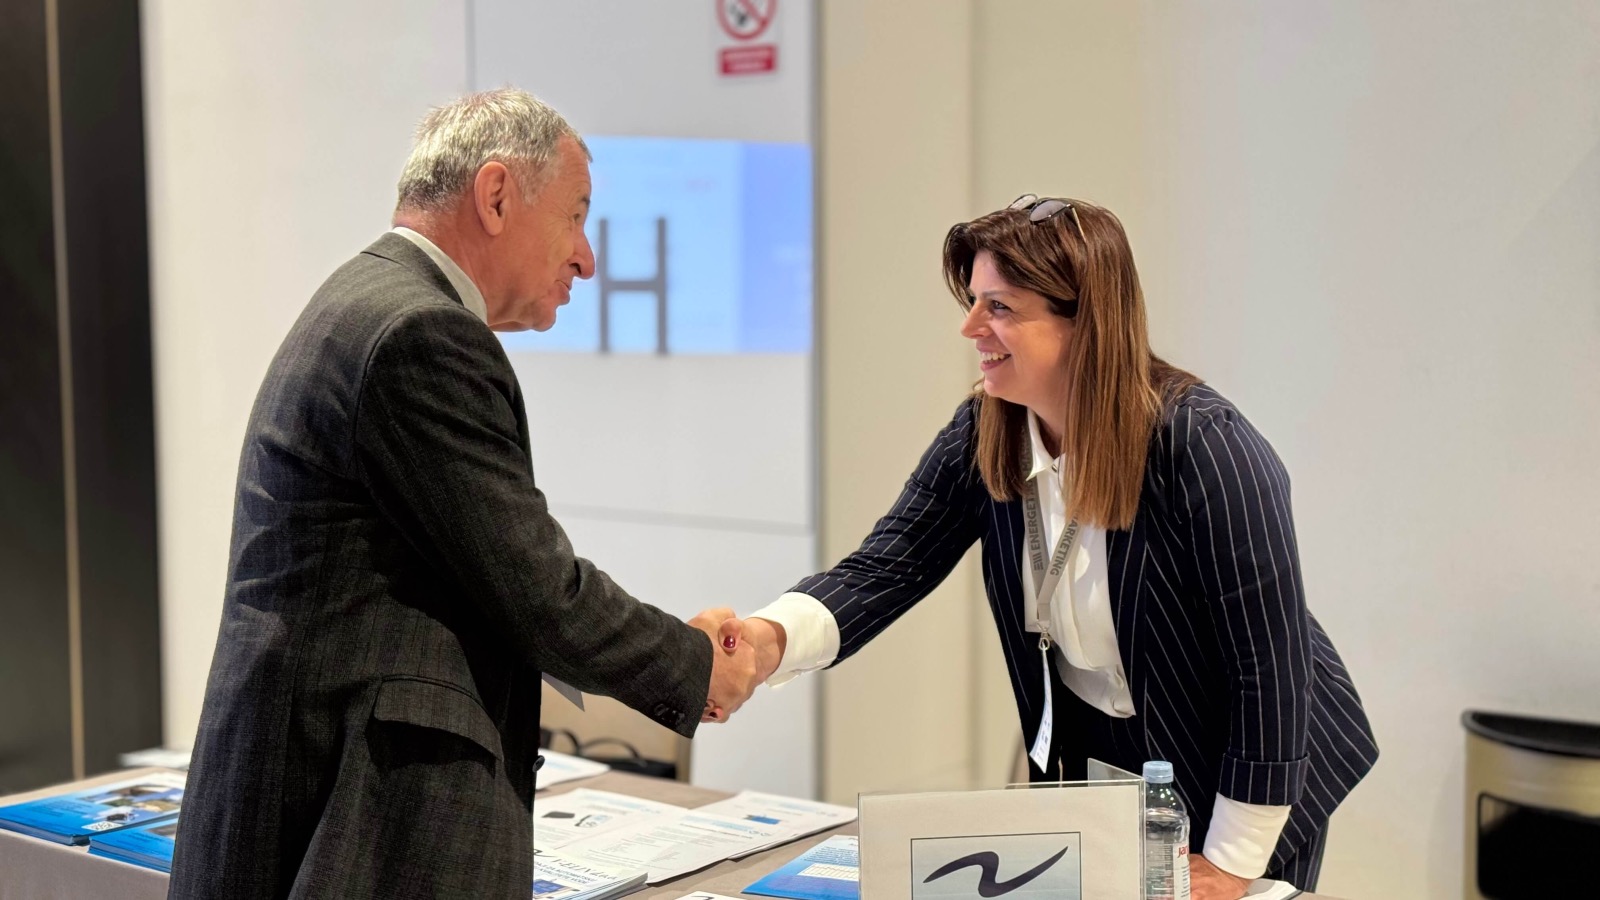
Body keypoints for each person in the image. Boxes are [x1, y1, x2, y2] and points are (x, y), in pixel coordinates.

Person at [167, 89, 759, 900]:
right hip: (348, 831)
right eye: (575, 217)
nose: (586, 258)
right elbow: (539, 593)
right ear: (496, 196)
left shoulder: (366, 300)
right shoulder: (421, 333)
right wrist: (695, 666)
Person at [719, 195, 1379, 898]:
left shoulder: (1203, 446)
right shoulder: (987, 428)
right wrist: (765, 641)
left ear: (1084, 322)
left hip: (1250, 764)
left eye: (1000, 307)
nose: (971, 327)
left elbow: (1268, 668)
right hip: (1107, 761)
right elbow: (890, 563)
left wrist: (1233, 859)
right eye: (974, 301)